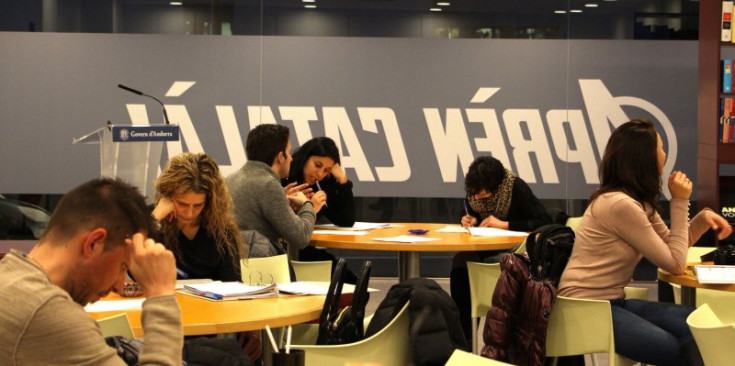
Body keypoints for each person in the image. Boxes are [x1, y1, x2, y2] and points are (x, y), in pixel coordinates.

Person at [558, 119, 732, 366]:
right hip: (586, 308)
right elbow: (675, 263)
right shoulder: (620, 204)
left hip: (611, 301)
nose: (664, 154)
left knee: (692, 323)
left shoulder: (636, 202)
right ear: (644, 157)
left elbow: (673, 248)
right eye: (660, 147)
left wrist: (702, 219)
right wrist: (680, 201)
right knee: (675, 348)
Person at [0, 178, 183, 365]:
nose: (119, 287)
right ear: (93, 243)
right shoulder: (46, 312)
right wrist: (161, 294)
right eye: (123, 267)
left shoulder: (9, 275)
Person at [152, 152, 261, 361]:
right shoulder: (155, 225)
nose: (190, 212)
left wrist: (249, 325)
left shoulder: (219, 229)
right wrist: (156, 216)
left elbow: (233, 283)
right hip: (166, 324)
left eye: (198, 205)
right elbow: (132, 267)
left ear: (209, 202)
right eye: (182, 204)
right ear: (168, 196)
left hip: (209, 324)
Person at [450, 155, 552, 343]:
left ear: (495, 186)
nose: (477, 198)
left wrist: (505, 224)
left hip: (515, 255)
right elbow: (472, 214)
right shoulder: (475, 193)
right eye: (474, 194)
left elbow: (543, 221)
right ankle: (463, 340)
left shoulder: (515, 188)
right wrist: (468, 220)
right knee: (460, 262)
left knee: (478, 264)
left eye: (482, 194)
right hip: (486, 247)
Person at [227, 124, 326, 257]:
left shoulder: (230, 179)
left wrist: (282, 200)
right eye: (289, 153)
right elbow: (301, 238)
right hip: (262, 271)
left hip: (235, 267)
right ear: (280, 157)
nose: (291, 158)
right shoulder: (269, 185)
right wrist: (308, 206)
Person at [282, 137, 357, 282]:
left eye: (327, 170)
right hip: (283, 253)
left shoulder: (321, 183)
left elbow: (345, 220)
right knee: (345, 282)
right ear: (305, 157)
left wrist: (342, 181)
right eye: (317, 165)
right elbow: (283, 225)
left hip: (306, 250)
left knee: (355, 285)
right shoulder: (286, 176)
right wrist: (310, 209)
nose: (320, 173)